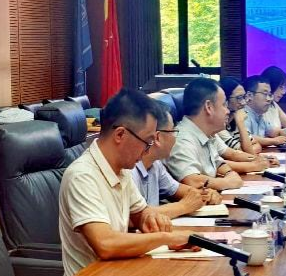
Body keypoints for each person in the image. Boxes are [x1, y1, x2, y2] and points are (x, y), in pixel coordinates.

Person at [58, 89, 193, 276]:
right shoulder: (82, 176)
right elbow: (105, 244)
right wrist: (165, 238)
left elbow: (140, 213)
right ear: (120, 134)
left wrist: (151, 218)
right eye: (147, 142)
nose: (148, 151)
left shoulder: (123, 170)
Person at [165, 78, 278, 191]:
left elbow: (219, 163)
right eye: (224, 105)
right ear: (209, 107)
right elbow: (192, 180)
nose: (227, 111)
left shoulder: (207, 134)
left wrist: (230, 173)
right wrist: (228, 182)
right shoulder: (182, 140)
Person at [133, 102, 221, 219]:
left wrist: (206, 194)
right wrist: (183, 206)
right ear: (157, 138)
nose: (176, 137)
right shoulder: (130, 169)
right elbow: (133, 217)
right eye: (173, 131)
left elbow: (179, 190)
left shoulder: (155, 164)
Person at [243, 74, 286, 148]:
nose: (269, 99)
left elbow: (271, 133)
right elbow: (246, 137)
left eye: (270, 95)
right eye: (265, 94)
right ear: (249, 95)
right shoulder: (243, 113)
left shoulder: (260, 113)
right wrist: (274, 141)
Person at [217, 77, 262, 155]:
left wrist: (247, 149)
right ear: (225, 99)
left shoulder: (234, 119)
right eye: (239, 98)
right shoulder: (218, 125)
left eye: (244, 97)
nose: (244, 102)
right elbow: (247, 153)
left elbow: (257, 146)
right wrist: (240, 123)